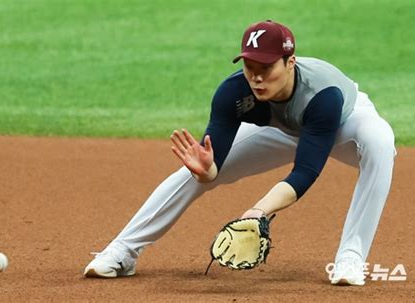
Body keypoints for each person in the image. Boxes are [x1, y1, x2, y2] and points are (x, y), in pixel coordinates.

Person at [83, 20, 396, 286]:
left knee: (380, 141)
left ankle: (350, 258)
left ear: (290, 62)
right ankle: (122, 251)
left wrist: (257, 211)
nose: (257, 76)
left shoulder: (323, 96)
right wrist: (207, 171)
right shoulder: (233, 92)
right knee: (191, 172)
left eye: (266, 67)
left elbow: (305, 172)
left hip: (343, 125)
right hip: (281, 129)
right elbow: (211, 165)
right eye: (250, 66)